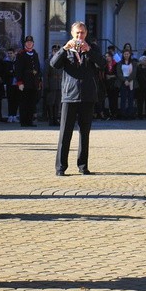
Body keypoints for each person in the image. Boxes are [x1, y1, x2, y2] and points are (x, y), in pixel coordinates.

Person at [51, 21, 104, 176]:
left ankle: (83, 166)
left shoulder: (92, 48)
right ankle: (60, 168)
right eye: (77, 33)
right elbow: (54, 64)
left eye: (82, 33)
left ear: (86, 34)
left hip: (88, 96)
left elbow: (102, 64)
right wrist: (64, 49)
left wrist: (89, 51)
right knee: (65, 133)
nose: (79, 36)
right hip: (69, 96)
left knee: (84, 133)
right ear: (72, 34)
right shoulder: (66, 50)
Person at [15, 35, 42, 127]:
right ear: (25, 44)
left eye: (31, 42)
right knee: (24, 102)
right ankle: (24, 121)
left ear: (33, 44)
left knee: (32, 103)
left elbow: (37, 68)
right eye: (27, 42)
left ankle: (30, 121)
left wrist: (39, 81)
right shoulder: (21, 54)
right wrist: (20, 82)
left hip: (33, 82)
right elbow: (18, 69)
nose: (29, 43)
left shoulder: (35, 54)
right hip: (25, 82)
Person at [116, 49, 138, 119]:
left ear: (130, 55)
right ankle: (123, 114)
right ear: (123, 55)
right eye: (125, 54)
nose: (126, 55)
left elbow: (134, 73)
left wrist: (128, 80)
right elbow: (119, 73)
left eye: (127, 54)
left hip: (131, 82)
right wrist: (125, 80)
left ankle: (130, 114)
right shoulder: (119, 63)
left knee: (131, 98)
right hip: (123, 82)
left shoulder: (133, 63)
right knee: (123, 98)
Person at [44, 44, 63, 126]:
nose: (56, 52)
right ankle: (51, 119)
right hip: (52, 83)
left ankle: (56, 118)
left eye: (57, 51)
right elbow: (45, 74)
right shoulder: (48, 61)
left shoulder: (61, 61)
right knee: (51, 102)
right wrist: (46, 85)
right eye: (54, 51)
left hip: (59, 83)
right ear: (52, 51)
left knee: (57, 103)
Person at [4, 49, 20, 122]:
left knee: (16, 100)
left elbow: (18, 71)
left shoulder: (18, 62)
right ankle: (10, 115)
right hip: (10, 83)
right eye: (8, 53)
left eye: (11, 53)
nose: (9, 55)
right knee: (10, 99)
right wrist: (11, 72)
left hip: (17, 84)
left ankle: (14, 115)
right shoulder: (6, 62)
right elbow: (6, 72)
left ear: (14, 53)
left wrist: (13, 72)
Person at [103, 52, 119, 119]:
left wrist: (111, 76)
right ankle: (111, 113)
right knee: (110, 99)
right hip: (108, 85)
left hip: (114, 84)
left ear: (111, 57)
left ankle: (115, 113)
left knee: (115, 99)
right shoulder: (105, 65)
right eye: (106, 56)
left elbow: (118, 74)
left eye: (108, 56)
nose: (107, 58)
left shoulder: (115, 64)